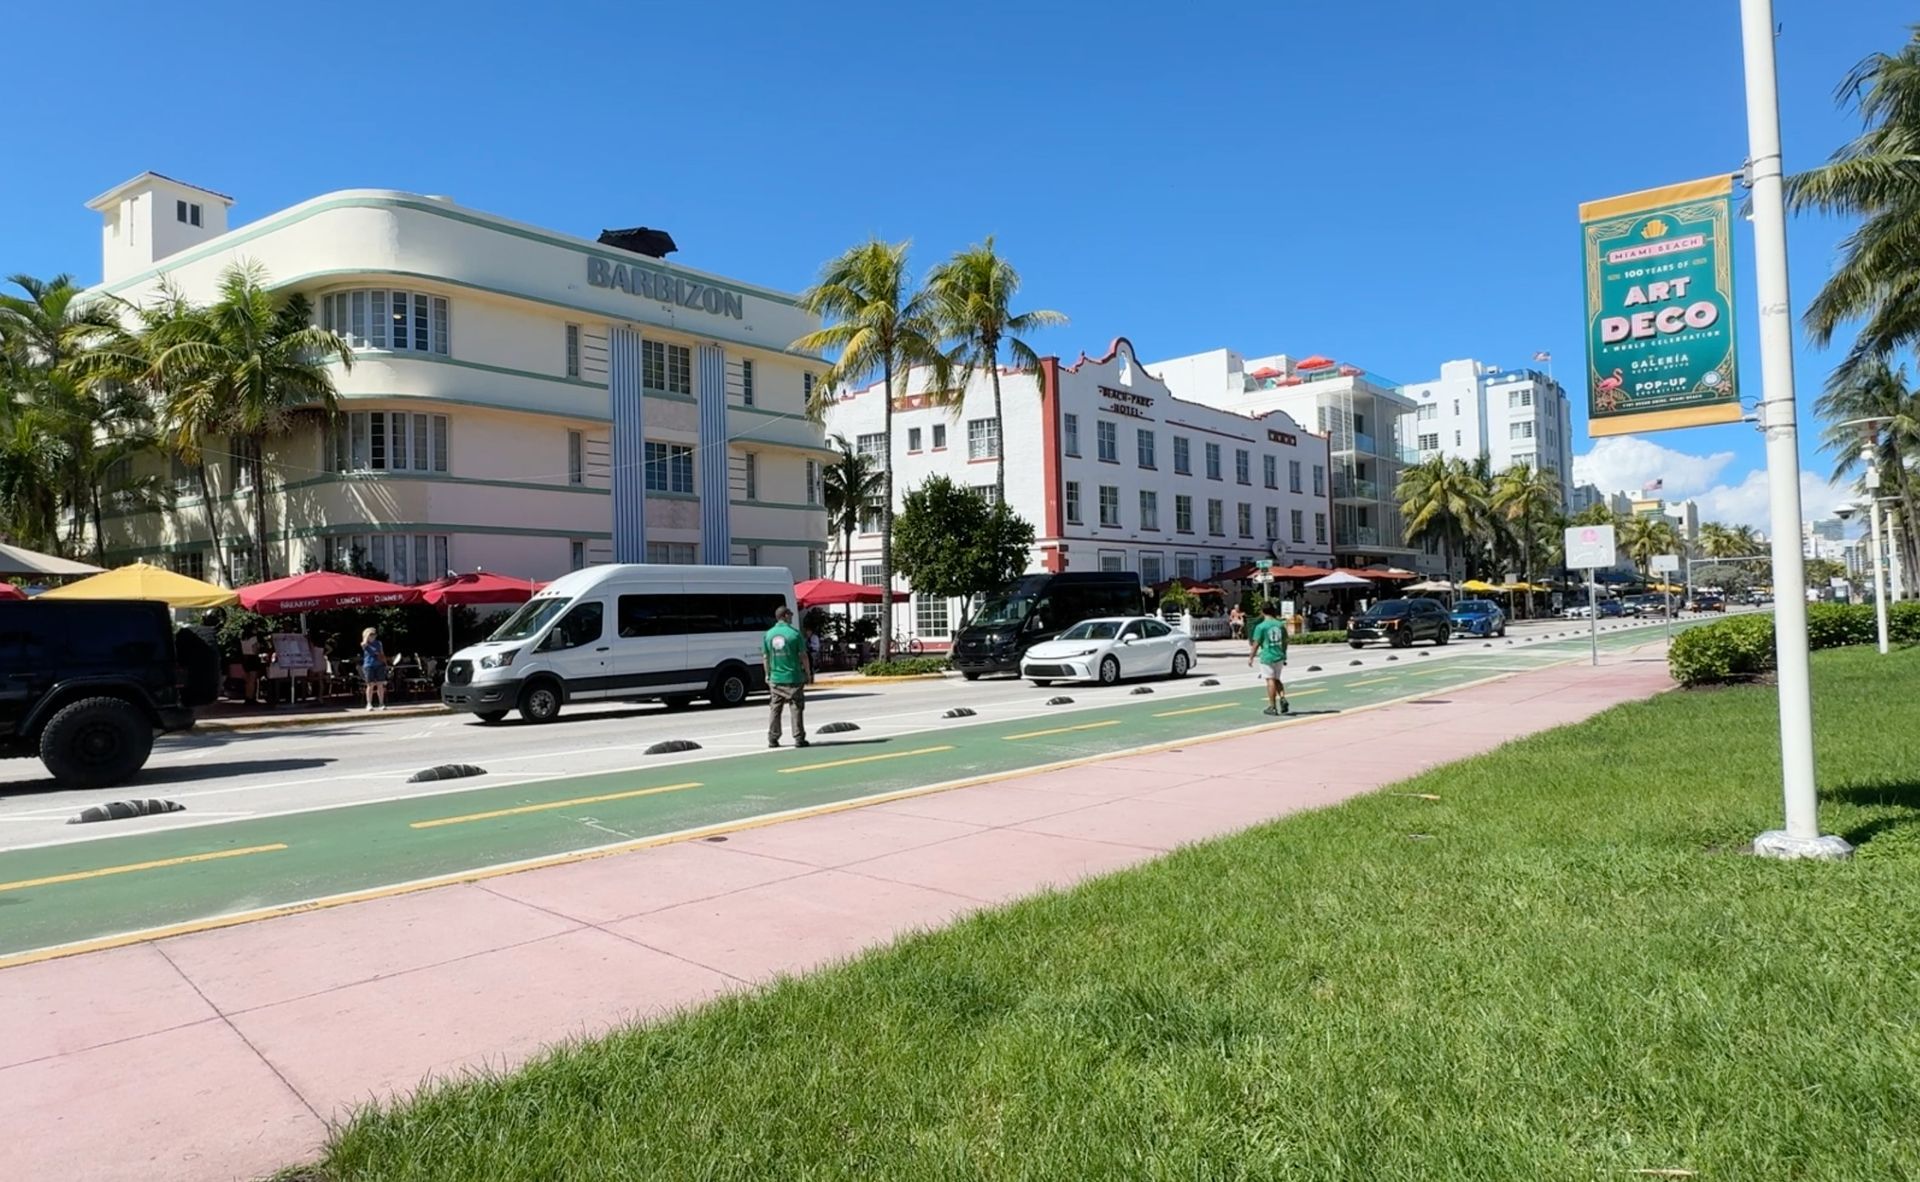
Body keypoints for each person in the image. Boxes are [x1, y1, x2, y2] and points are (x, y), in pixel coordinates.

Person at [763, 604, 809, 748]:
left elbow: (765, 656)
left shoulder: (768, 634)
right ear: (785, 616)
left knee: (775, 708)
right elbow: (803, 656)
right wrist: (807, 673)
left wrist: (767, 674)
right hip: (793, 677)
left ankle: (773, 738)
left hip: (776, 678)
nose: (792, 617)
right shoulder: (794, 634)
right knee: (796, 707)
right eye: (790, 614)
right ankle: (798, 737)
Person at [1248, 600, 1290, 716]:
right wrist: (1284, 653)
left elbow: (1256, 643)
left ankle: (1272, 706)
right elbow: (1286, 641)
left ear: (1262, 611)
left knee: (1270, 680)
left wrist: (1251, 657)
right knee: (1277, 679)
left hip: (1267, 656)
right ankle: (1282, 697)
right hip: (1279, 655)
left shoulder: (1261, 627)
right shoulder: (1280, 624)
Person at [361, 626, 389, 711]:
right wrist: (366, 636)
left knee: (380, 684)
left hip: (379, 665)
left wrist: (385, 663)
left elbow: (382, 653)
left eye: (374, 634)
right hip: (369, 665)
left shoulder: (379, 643)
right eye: (371, 634)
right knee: (370, 685)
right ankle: (369, 703)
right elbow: (364, 645)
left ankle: (381, 703)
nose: (373, 636)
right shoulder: (364, 643)